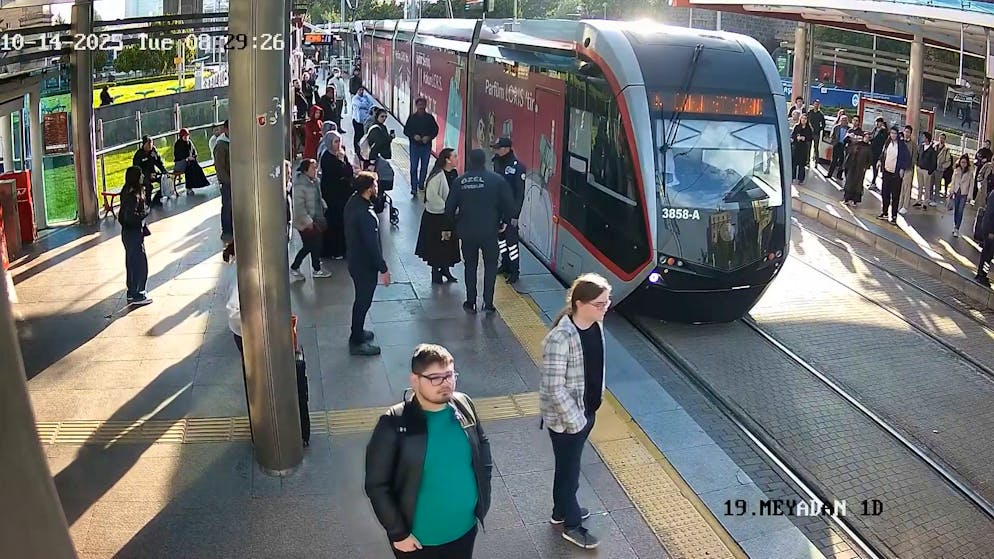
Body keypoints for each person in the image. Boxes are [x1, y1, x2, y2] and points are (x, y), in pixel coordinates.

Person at [365, 343, 492, 559]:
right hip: (419, 542)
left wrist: (483, 499)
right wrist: (398, 534)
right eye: (435, 378)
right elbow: (377, 485)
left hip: (465, 529)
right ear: (415, 380)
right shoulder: (393, 423)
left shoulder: (464, 404)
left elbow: (482, 447)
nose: (446, 383)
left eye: (450, 375)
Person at [540, 273, 612, 550]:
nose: (605, 307)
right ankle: (571, 524)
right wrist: (577, 421)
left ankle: (560, 512)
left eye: (606, 302)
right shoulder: (561, 338)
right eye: (599, 303)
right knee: (570, 471)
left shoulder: (595, 325)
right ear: (579, 303)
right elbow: (553, 387)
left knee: (568, 467)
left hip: (586, 411)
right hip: (568, 420)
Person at [445, 148, 514, 314]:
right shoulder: (497, 180)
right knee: (490, 266)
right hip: (490, 232)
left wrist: (456, 224)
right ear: (484, 161)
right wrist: (502, 222)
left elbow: (449, 209)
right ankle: (488, 304)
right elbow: (510, 206)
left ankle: (470, 302)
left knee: (470, 266)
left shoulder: (460, 181)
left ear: (469, 160)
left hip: (467, 232)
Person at [345, 172, 390, 356]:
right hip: (364, 265)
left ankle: (358, 332)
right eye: (376, 184)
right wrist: (383, 268)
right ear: (369, 188)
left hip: (355, 260)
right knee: (363, 302)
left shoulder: (353, 202)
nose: (377, 187)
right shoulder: (365, 214)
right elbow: (372, 246)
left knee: (360, 300)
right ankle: (356, 340)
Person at [415, 148, 461, 284]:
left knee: (447, 243)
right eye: (455, 156)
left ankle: (445, 269)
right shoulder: (437, 176)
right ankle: (436, 273)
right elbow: (432, 197)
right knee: (437, 244)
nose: (457, 159)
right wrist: (448, 208)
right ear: (447, 160)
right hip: (436, 219)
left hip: (447, 219)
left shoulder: (453, 173)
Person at [491, 137, 526, 284]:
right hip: (498, 209)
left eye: (498, 148)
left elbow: (520, 194)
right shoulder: (497, 162)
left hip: (510, 211)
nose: (496, 150)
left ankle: (514, 271)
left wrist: (515, 215)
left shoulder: (517, 167)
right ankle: (504, 264)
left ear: (506, 149)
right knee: (501, 240)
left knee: (512, 243)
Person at [290, 159, 331, 280]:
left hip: (316, 218)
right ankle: (297, 267)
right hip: (305, 222)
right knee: (310, 245)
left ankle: (316, 267)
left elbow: (318, 197)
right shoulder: (300, 185)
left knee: (315, 244)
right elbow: (299, 207)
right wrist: (308, 221)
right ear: (305, 170)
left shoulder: (315, 181)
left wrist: (323, 205)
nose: (316, 170)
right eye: (313, 168)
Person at [118, 166, 152, 306]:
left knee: (131, 262)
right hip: (134, 233)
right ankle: (138, 293)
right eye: (140, 175)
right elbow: (131, 216)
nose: (143, 176)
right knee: (139, 263)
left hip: (128, 233)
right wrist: (145, 212)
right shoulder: (133, 195)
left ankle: (132, 291)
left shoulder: (126, 191)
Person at [319, 131, 353, 259]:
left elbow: (348, 171)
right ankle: (333, 250)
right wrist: (341, 162)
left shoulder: (341, 154)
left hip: (342, 194)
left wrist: (343, 160)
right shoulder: (327, 157)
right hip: (332, 195)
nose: (339, 144)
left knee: (342, 221)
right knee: (334, 222)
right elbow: (339, 172)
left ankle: (342, 248)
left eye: (340, 141)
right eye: (336, 142)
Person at [404, 97, 439, 196]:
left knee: (424, 167)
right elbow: (406, 130)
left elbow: (435, 130)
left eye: (423, 105)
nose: (421, 107)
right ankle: (414, 187)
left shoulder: (430, 118)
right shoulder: (412, 118)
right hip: (414, 146)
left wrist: (429, 137)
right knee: (413, 167)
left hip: (426, 146)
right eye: (419, 105)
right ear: (416, 106)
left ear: (425, 106)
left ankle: (421, 184)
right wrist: (413, 136)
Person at [877, 126, 911, 224]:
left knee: (895, 196)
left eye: (894, 133)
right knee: (885, 193)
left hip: (895, 174)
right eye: (891, 133)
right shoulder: (887, 143)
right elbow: (883, 153)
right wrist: (880, 161)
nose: (893, 135)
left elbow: (906, 158)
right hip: (886, 172)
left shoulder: (901, 145)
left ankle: (894, 216)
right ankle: (884, 213)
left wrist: (902, 169)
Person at [132, 135, 168, 207]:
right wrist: (147, 175)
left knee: (164, 180)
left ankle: (157, 199)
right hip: (142, 176)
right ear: (144, 144)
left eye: (151, 143)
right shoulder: (139, 155)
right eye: (148, 144)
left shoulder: (153, 151)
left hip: (153, 173)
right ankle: (148, 202)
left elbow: (159, 162)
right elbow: (137, 169)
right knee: (149, 186)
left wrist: (165, 172)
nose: (150, 146)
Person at [172, 128, 211, 194]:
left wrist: (192, 157)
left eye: (187, 135)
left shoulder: (189, 142)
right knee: (189, 167)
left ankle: (200, 183)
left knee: (196, 167)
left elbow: (194, 152)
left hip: (189, 162)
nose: (186, 137)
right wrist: (187, 158)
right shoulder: (178, 144)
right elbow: (178, 156)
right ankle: (189, 188)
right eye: (185, 136)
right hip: (180, 163)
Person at [213, 120, 233, 243]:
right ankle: (226, 231)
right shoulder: (221, 145)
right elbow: (219, 167)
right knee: (227, 206)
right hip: (227, 182)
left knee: (232, 206)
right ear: (226, 129)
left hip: (234, 181)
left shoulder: (233, 142)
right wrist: (228, 181)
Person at [843, 132, 873, 206]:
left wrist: (866, 167)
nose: (866, 139)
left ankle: (855, 200)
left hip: (860, 168)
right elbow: (849, 153)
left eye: (868, 137)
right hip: (852, 166)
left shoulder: (869, 148)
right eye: (865, 137)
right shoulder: (856, 144)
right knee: (849, 182)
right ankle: (847, 199)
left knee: (858, 184)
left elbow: (870, 159)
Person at [949, 154, 973, 237]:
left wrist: (970, 196)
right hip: (956, 192)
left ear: (967, 163)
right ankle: (955, 225)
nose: (963, 164)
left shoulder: (970, 172)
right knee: (956, 210)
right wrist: (951, 191)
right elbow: (953, 181)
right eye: (962, 162)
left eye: (965, 162)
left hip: (964, 194)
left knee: (960, 211)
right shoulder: (956, 170)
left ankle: (957, 228)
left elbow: (971, 185)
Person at [975, 189, 994, 286]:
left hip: (988, 228)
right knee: (988, 254)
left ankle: (981, 274)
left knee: (987, 253)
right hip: (991, 230)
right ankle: (982, 275)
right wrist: (991, 231)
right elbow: (991, 214)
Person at [914, 131, 937, 210]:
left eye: (924, 137)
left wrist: (930, 170)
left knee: (926, 187)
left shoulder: (932, 150)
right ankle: (919, 199)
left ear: (927, 138)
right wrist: (917, 165)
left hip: (927, 170)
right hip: (919, 168)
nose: (922, 138)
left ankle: (925, 202)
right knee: (920, 185)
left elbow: (934, 162)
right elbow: (918, 155)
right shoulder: (921, 146)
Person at [898, 126, 918, 215]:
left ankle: (905, 206)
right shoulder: (900, 142)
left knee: (906, 187)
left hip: (908, 169)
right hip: (899, 168)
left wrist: (909, 166)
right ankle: (899, 204)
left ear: (910, 133)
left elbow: (914, 158)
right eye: (905, 131)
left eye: (908, 132)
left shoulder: (913, 145)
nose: (906, 133)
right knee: (899, 187)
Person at [790, 114, 813, 184]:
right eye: (802, 118)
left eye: (805, 119)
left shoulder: (808, 128)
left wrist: (804, 138)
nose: (803, 120)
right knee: (794, 163)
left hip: (803, 148)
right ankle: (792, 177)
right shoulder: (797, 126)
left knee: (802, 164)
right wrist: (796, 138)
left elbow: (810, 137)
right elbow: (792, 135)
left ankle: (801, 178)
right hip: (796, 146)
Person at [351, 86, 374, 158]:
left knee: (363, 136)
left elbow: (371, 104)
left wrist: (365, 104)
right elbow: (360, 105)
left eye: (362, 90)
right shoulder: (355, 98)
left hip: (365, 121)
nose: (361, 91)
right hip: (357, 121)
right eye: (359, 90)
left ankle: (362, 150)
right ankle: (356, 150)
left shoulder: (367, 97)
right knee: (357, 135)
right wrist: (365, 103)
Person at [826, 115, 850, 180]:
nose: (844, 122)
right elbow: (832, 135)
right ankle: (829, 174)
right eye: (842, 120)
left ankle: (839, 175)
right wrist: (833, 142)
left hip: (844, 146)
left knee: (841, 161)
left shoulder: (849, 129)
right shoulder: (836, 127)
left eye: (845, 120)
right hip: (837, 144)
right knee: (834, 160)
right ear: (840, 120)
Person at [868, 117, 888, 188]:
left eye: (879, 122)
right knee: (872, 167)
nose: (877, 123)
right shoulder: (875, 129)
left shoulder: (884, 131)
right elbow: (872, 138)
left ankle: (873, 182)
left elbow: (885, 141)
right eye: (876, 122)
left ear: (882, 123)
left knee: (876, 168)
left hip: (878, 152)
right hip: (872, 151)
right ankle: (873, 181)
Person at [806, 100, 825, 164]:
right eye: (815, 104)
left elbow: (823, 124)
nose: (816, 105)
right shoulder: (810, 112)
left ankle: (816, 161)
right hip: (809, 132)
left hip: (816, 133)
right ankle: (807, 160)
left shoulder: (820, 114)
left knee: (816, 147)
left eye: (817, 104)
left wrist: (819, 129)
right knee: (808, 147)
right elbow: (807, 120)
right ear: (813, 104)